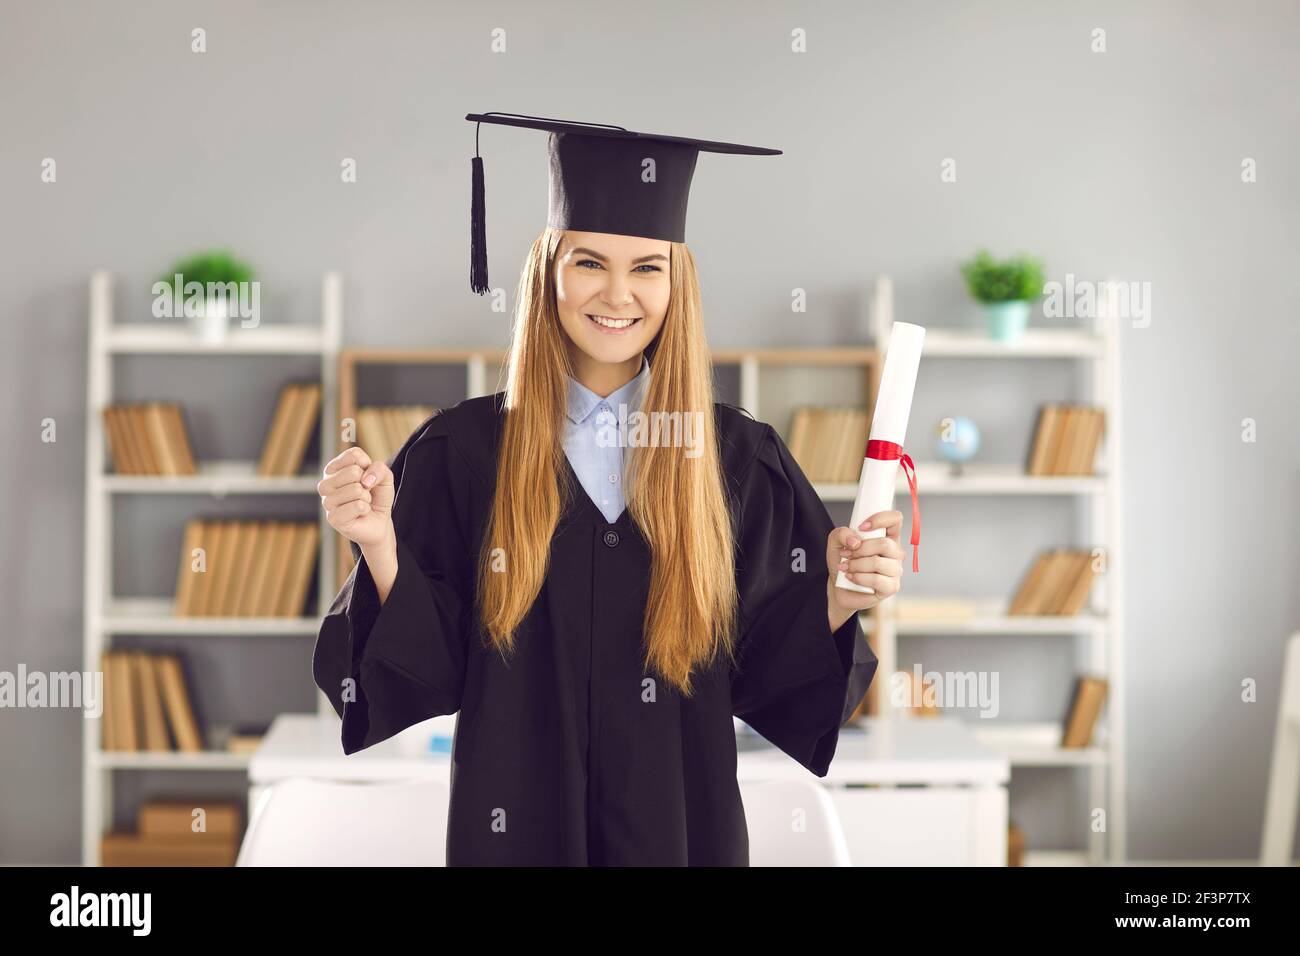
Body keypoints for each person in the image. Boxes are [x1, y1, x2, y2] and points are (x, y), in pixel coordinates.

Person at [312, 113, 905, 865]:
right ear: (548, 273)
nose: (618, 294)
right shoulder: (463, 451)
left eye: (647, 268)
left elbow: (764, 675)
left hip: (681, 831)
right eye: (589, 263)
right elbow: (425, 670)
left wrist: (838, 600)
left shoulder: (733, 457)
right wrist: (379, 545)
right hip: (515, 829)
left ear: (676, 282)